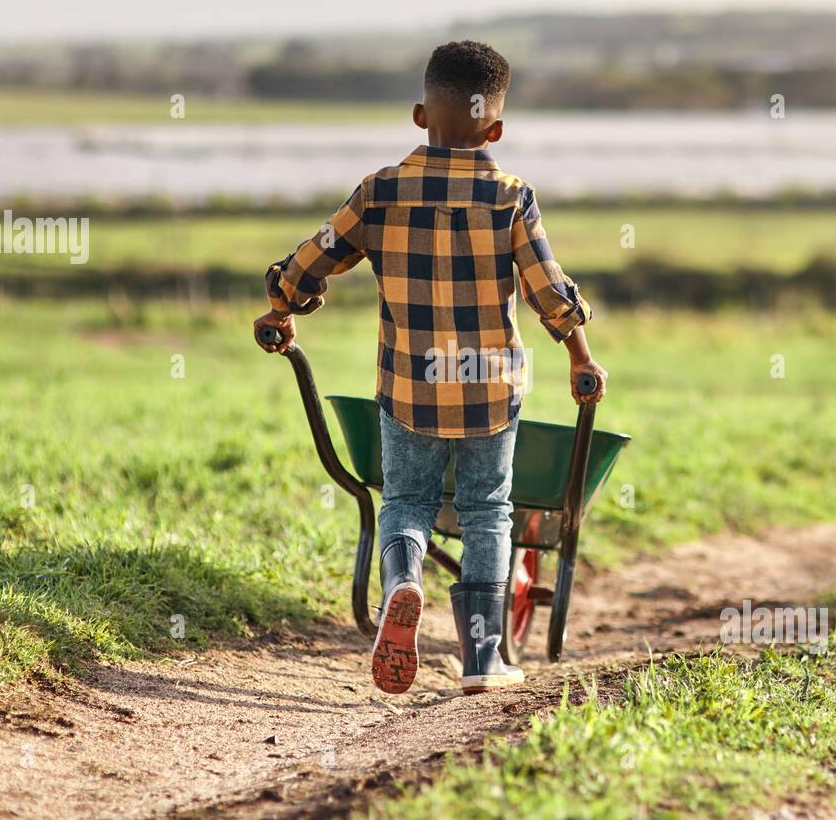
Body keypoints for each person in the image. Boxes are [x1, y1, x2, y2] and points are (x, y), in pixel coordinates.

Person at [255, 40, 606, 695]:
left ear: (421, 115)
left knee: (409, 499)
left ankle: (405, 581)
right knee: (486, 508)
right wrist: (580, 356)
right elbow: (548, 289)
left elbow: (309, 262)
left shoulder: (380, 192)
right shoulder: (510, 197)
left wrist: (283, 305)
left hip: (410, 385)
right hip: (490, 389)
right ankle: (482, 657)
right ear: (495, 128)